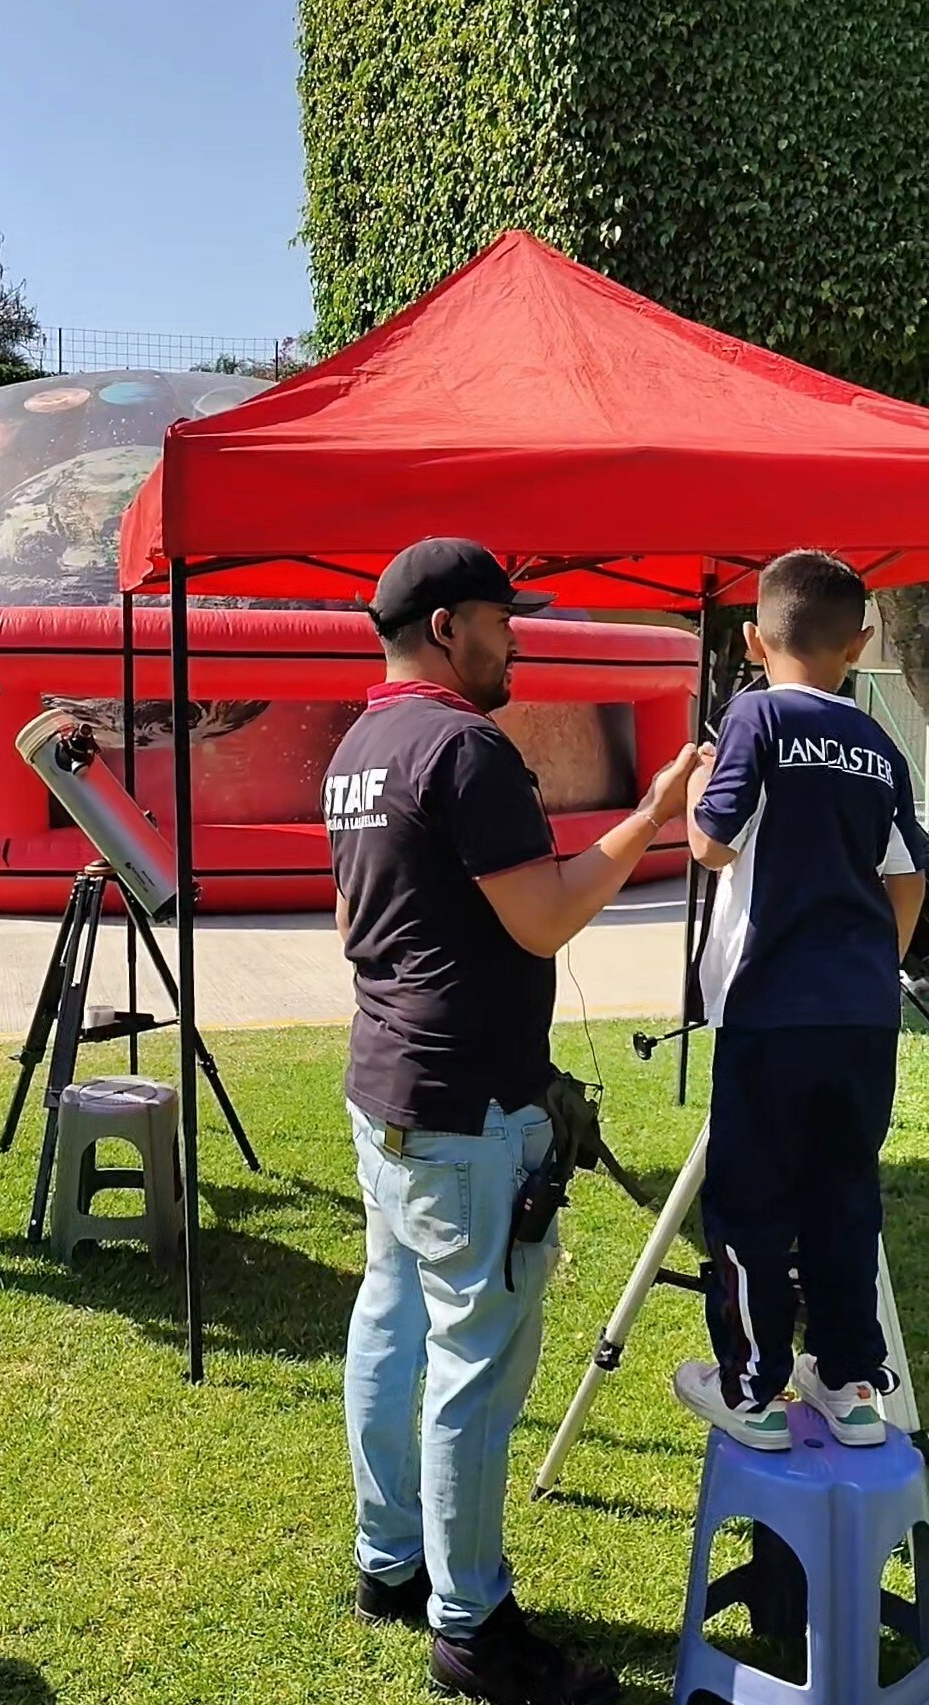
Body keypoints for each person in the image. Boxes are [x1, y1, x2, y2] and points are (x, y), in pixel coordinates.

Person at [324, 538, 698, 1705]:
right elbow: (544, 919)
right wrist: (650, 815)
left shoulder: (360, 742)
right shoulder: (463, 744)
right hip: (466, 1108)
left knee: (390, 1321)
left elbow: (351, 925)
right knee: (474, 1361)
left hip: (385, 1090)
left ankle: (391, 1564)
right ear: (448, 628)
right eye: (500, 617)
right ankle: (470, 1620)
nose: (516, 636)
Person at [675, 550, 929, 1451]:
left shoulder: (754, 716)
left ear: (753, 638)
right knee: (844, 1196)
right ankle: (851, 1383)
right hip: (860, 1018)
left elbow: (712, 844)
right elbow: (909, 878)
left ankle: (751, 1386)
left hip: (770, 1011)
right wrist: (866, 967)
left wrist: (698, 789)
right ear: (859, 644)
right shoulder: (877, 743)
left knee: (750, 1202)